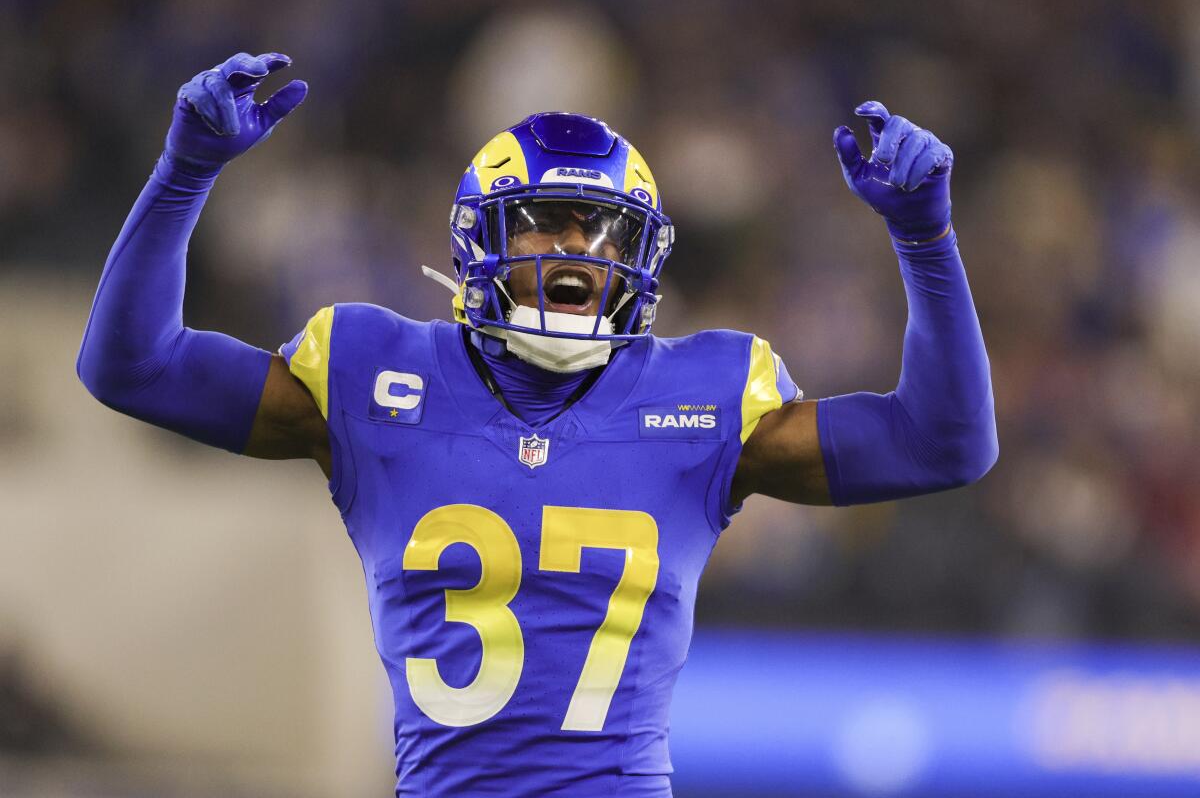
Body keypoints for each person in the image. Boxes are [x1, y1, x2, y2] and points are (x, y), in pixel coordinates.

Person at [76, 52, 998, 797]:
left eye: (604, 230)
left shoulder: (710, 393)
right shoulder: (371, 371)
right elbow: (132, 365)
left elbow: (945, 443)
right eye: (546, 222)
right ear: (478, 239)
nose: (579, 249)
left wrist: (926, 240)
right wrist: (184, 172)